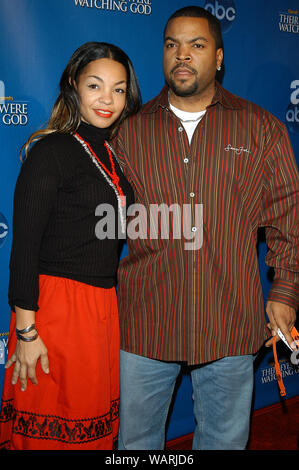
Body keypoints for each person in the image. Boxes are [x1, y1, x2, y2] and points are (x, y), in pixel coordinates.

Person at [113, 7, 299, 450]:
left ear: (217, 57)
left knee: (223, 442)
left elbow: (289, 216)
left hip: (229, 321)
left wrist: (286, 290)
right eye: (172, 45)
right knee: (136, 444)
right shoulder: (128, 132)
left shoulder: (262, 130)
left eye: (196, 45)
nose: (182, 55)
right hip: (147, 322)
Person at [0, 41, 141, 450]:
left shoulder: (112, 155)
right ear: (73, 86)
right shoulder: (51, 151)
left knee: (93, 431)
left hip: (101, 309)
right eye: (95, 85)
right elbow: (23, 249)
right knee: (53, 431)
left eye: (118, 89)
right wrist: (27, 334)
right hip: (57, 311)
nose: (107, 99)